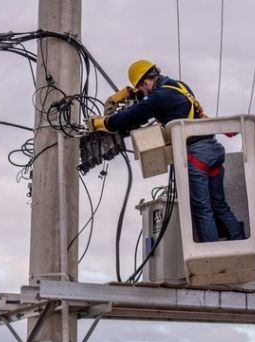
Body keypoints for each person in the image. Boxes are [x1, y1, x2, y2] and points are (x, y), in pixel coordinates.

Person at [87, 59, 243, 243]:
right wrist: (132, 95)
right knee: (218, 204)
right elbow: (150, 102)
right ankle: (238, 239)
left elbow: (129, 117)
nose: (142, 93)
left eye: (141, 88)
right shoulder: (178, 86)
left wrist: (101, 122)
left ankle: (212, 253)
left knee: (202, 208)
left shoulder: (159, 97)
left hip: (197, 155)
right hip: (213, 149)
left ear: (145, 82)